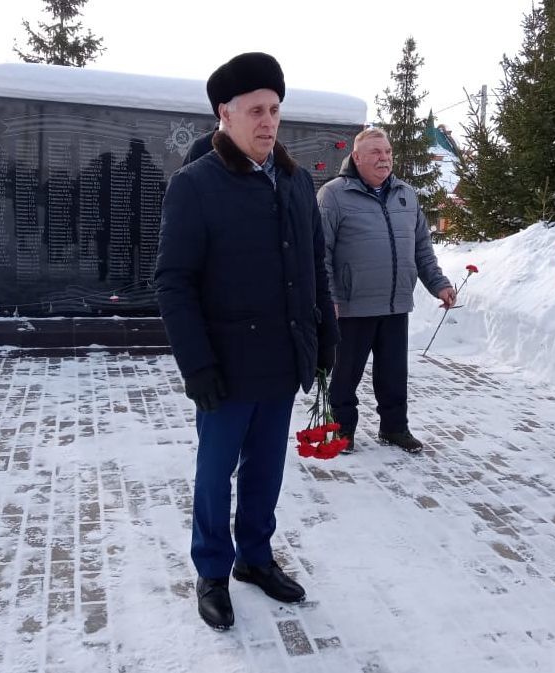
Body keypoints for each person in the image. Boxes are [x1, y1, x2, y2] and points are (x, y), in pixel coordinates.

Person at [154, 52, 339, 631]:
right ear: (224, 114)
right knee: (215, 472)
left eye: (275, 110)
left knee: (266, 469)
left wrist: (324, 338)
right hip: (226, 367)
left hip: (283, 358)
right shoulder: (196, 185)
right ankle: (212, 569)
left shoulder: (294, 181)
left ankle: (255, 558)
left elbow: (314, 264)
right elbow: (174, 281)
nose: (268, 121)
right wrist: (197, 364)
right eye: (256, 110)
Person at [317, 128, 455, 454]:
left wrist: (439, 284)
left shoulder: (406, 194)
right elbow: (318, 252)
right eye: (376, 152)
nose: (384, 158)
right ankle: (340, 431)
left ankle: (394, 428)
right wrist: (329, 297)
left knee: (394, 375)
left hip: (395, 304)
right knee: (345, 376)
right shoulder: (333, 195)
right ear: (357, 157)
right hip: (352, 306)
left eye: (388, 152)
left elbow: (421, 248)